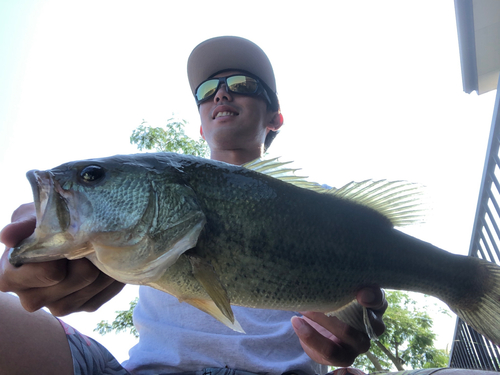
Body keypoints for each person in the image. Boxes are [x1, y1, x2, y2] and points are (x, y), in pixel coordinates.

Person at [0, 36, 489, 375]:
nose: (222, 94)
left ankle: (473, 284)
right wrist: (21, 258)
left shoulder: (321, 211)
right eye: (207, 91)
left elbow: (348, 330)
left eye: (242, 84)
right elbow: (31, 246)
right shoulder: (136, 221)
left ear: (275, 117)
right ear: (199, 124)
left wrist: (350, 333)